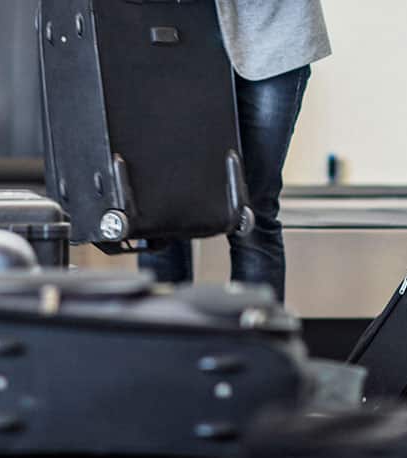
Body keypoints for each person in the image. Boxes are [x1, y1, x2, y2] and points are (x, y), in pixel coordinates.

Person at [137, 0, 330, 302]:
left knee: (252, 213)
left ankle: (255, 343)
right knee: (162, 211)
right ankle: (163, 342)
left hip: (272, 39)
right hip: (171, 39)